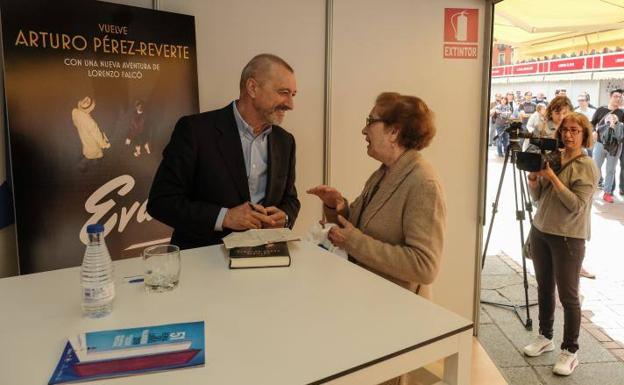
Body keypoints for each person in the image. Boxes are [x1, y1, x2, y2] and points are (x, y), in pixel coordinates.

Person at [308, 93, 445, 385]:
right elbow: (362, 220)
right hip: (369, 310)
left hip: (394, 318)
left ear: (394, 131)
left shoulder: (423, 183)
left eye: (371, 121)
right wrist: (339, 206)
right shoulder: (385, 172)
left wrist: (353, 241)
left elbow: (425, 266)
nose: (364, 130)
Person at [147, 54, 300, 249]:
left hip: (266, 261)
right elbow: (161, 202)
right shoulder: (194, 131)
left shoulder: (285, 141)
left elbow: (290, 199)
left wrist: (284, 217)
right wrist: (224, 217)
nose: (290, 104)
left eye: (293, 94)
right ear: (252, 88)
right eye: (283, 92)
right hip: (204, 260)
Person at [523, 112, 598, 376]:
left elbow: (576, 206)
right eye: (565, 130)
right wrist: (534, 180)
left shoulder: (587, 166)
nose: (568, 134)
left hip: (568, 237)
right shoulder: (554, 156)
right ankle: (545, 336)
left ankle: (570, 350)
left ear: (584, 134)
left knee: (569, 296)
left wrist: (553, 178)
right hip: (541, 231)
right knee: (544, 287)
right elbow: (538, 198)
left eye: (575, 130)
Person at [591, 89, 624, 191]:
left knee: (610, 170)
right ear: (610, 97)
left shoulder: (622, 112)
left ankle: (607, 192)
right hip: (600, 143)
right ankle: (591, 189)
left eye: (620, 97)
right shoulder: (601, 109)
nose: (617, 99)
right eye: (615, 96)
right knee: (595, 168)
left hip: (615, 146)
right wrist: (593, 131)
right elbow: (592, 123)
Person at [71, 96, 110, 172]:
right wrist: (104, 144)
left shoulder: (75, 112)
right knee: (92, 152)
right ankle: (83, 164)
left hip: (83, 134)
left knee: (88, 148)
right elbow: (97, 135)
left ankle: (93, 161)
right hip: (91, 140)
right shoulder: (90, 122)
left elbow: (75, 122)